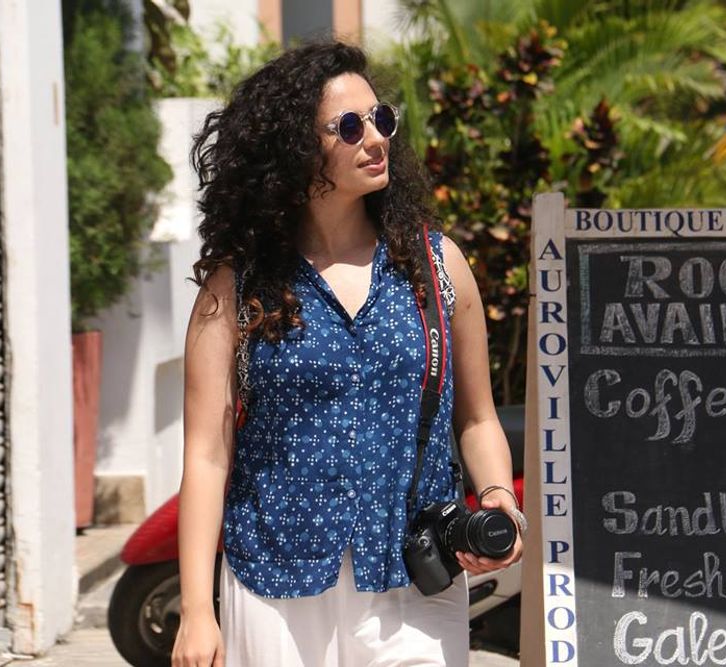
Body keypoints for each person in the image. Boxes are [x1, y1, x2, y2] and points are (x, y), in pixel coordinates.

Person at [172, 40, 524, 667]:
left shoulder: (437, 267)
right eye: (351, 127)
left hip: (415, 574)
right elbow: (205, 454)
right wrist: (197, 610)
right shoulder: (238, 286)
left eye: (382, 118)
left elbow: (475, 418)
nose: (377, 138)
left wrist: (500, 497)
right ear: (293, 148)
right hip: (274, 577)